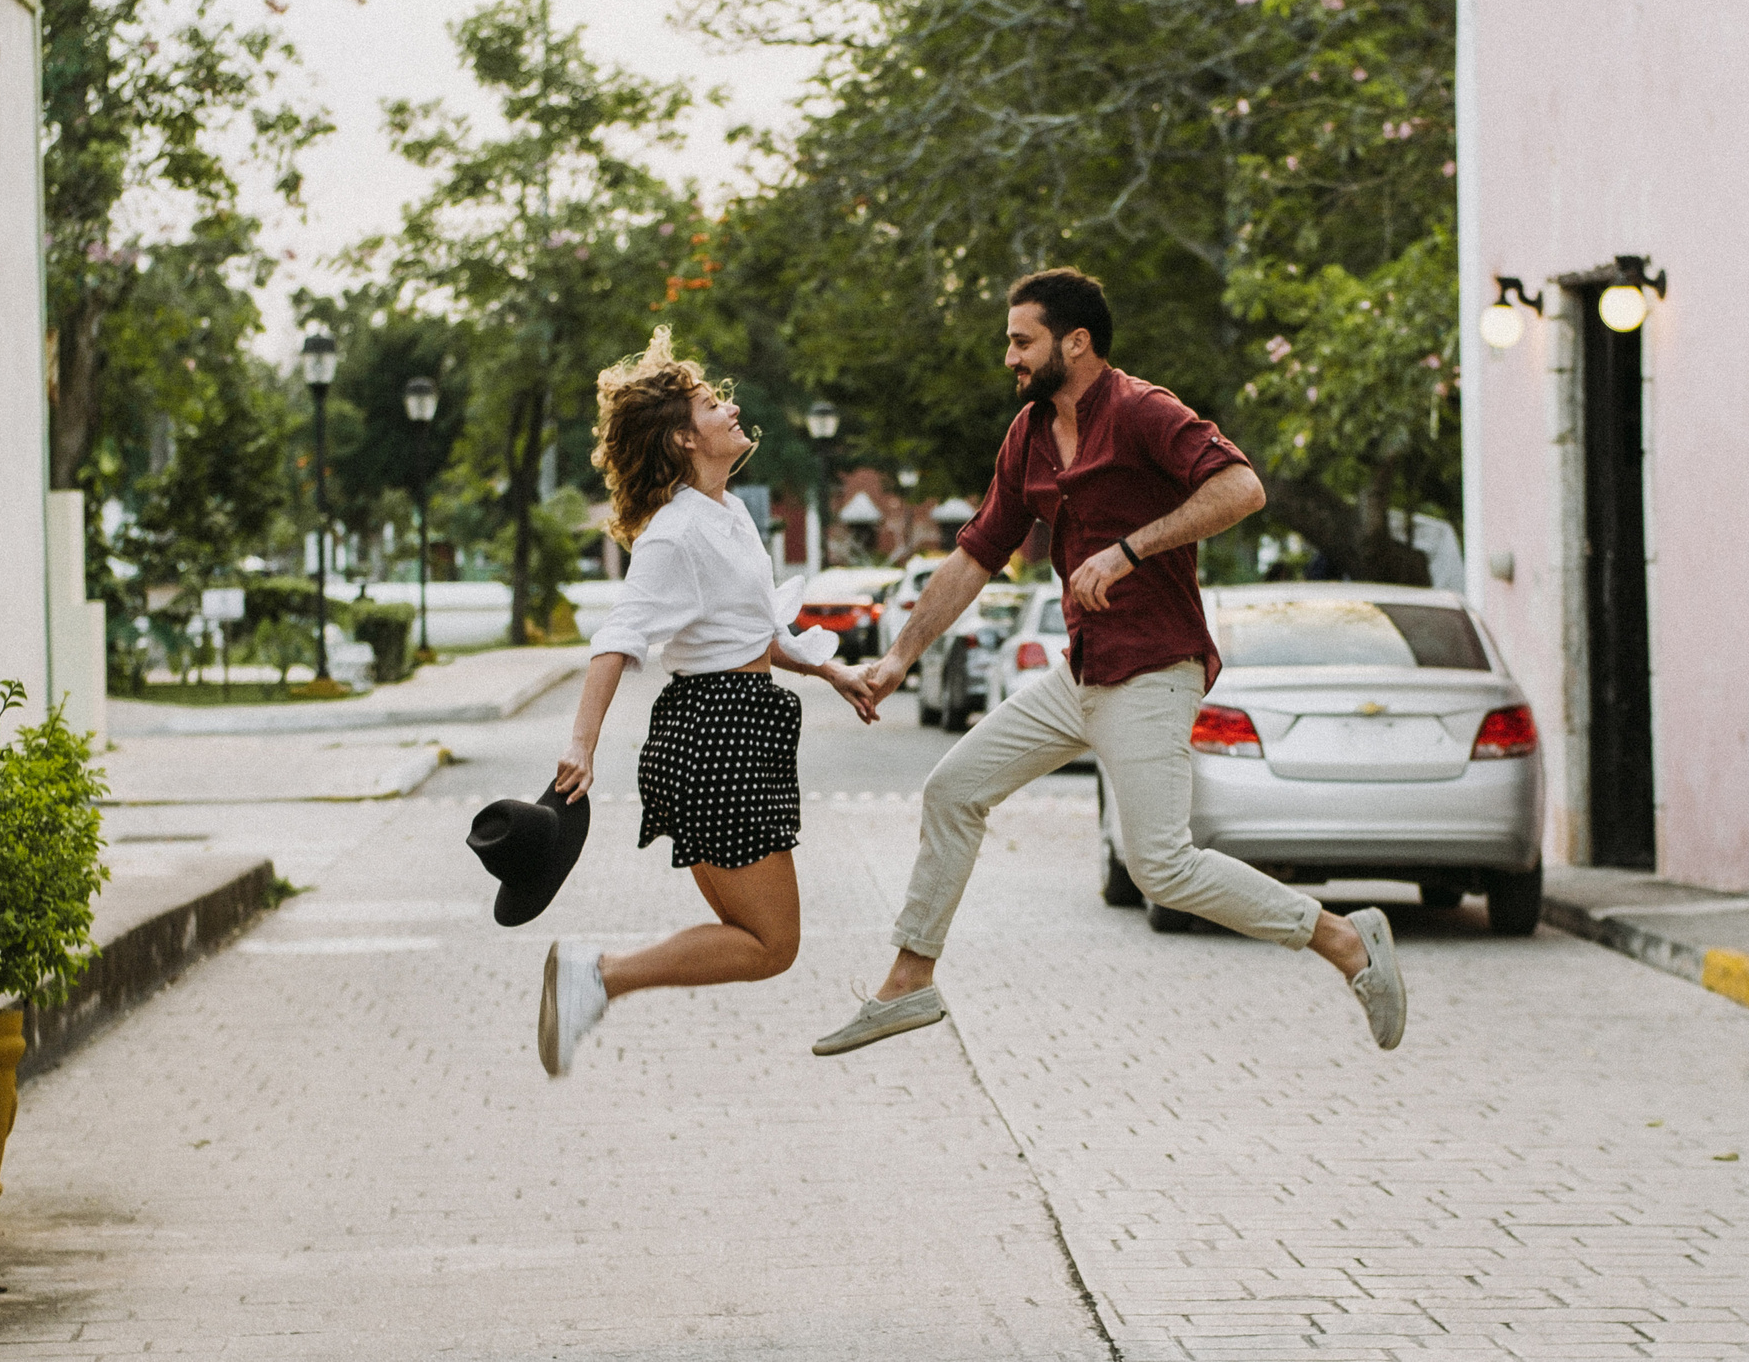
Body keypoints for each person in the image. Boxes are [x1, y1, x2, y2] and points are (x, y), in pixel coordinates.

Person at [811, 268, 1406, 1057]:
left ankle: (1345, 940)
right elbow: (974, 554)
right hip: (1083, 672)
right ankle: (909, 979)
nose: (1010, 357)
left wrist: (1130, 549)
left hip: (1156, 667)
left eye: (1022, 340)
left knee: (1161, 867)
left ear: (1076, 341)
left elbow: (1242, 487)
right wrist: (898, 658)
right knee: (953, 787)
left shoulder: (1143, 411)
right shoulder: (1027, 435)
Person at [537, 329, 882, 1076]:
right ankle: (596, 976)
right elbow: (620, 634)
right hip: (717, 732)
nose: (730, 407)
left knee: (766, 940)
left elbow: (750, 628)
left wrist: (830, 672)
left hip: (739, 723)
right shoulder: (677, 533)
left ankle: (596, 978)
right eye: (710, 402)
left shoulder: (724, 514)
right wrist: (581, 742)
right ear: (685, 437)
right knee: (770, 942)